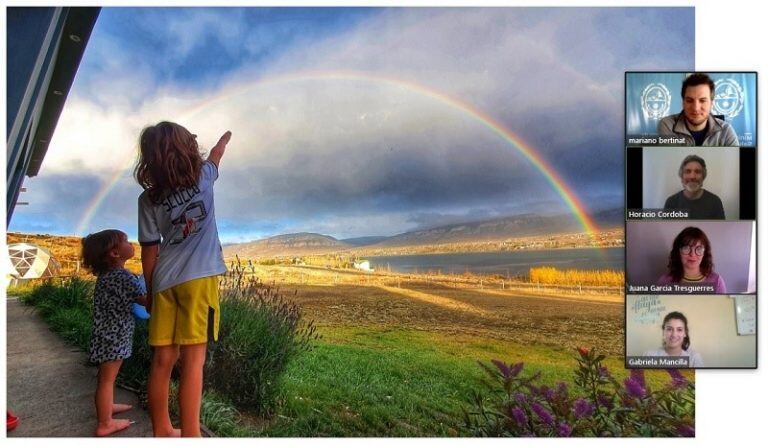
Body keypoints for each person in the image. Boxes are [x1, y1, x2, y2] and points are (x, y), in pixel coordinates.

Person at [135, 122, 231, 437]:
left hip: (163, 283)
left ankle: (162, 429)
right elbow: (215, 158)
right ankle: (192, 435)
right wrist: (222, 143)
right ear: (188, 149)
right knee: (193, 363)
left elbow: (148, 252)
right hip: (199, 280)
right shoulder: (204, 176)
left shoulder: (147, 200)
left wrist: (150, 292)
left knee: (163, 359)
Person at [81, 229, 147, 436]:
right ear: (115, 253)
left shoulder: (107, 275)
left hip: (106, 335)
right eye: (126, 241)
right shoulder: (122, 277)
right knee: (107, 380)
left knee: (106, 377)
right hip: (114, 337)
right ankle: (105, 423)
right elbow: (146, 302)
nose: (131, 243)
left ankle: (107, 407)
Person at [657, 73, 739, 146]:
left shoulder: (726, 131)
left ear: (711, 104)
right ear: (683, 103)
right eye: (689, 101)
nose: (695, 108)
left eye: (702, 100)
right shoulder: (667, 125)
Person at [657, 226, 726, 293]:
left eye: (699, 248)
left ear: (705, 253)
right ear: (678, 252)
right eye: (686, 248)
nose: (692, 254)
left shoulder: (717, 281)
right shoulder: (664, 281)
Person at [663, 154, 725, 219]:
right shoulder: (671, 202)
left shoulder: (715, 202)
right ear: (682, 177)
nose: (692, 176)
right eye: (688, 171)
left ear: (703, 177)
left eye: (697, 172)